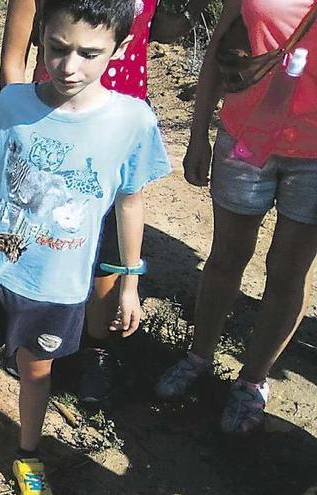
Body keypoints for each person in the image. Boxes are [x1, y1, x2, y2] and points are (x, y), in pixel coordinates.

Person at [0, 0, 171, 492]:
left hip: (57, 286)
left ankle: (28, 451)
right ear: (39, 37)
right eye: (57, 48)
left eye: (89, 53)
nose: (70, 66)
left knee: (36, 375)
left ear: (119, 49)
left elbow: (130, 203)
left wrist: (128, 284)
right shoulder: (11, 104)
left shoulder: (132, 121)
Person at [0, 0, 209, 408]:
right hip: (51, 129)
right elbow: (13, 62)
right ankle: (31, 332)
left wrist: (193, 9)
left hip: (115, 133)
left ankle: (95, 348)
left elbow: (153, 31)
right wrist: (21, 132)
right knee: (46, 236)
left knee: (107, 244)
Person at [155, 0, 317, 434]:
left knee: (287, 274)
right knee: (226, 258)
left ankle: (252, 382)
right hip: (244, 142)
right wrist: (197, 136)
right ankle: (198, 357)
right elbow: (214, 53)